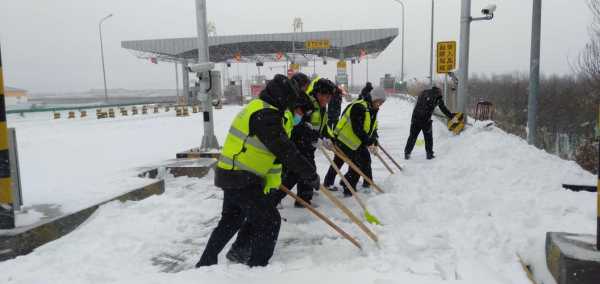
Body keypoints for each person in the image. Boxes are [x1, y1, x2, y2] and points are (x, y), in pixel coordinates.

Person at [196, 74, 320, 268]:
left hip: (236, 175)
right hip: (241, 177)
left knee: (232, 220)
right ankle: (258, 269)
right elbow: (285, 150)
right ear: (283, 98)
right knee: (270, 221)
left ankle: (206, 262)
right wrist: (309, 174)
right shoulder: (266, 116)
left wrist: (270, 187)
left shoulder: (263, 110)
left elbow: (273, 159)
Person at [280, 77, 336, 206]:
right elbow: (298, 126)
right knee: (301, 172)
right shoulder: (307, 103)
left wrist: (327, 138)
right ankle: (281, 198)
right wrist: (315, 138)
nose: (327, 100)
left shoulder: (322, 107)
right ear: (318, 93)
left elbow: (322, 126)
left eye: (329, 98)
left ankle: (302, 199)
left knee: (303, 172)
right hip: (299, 144)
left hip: (309, 145)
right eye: (326, 96)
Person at [327, 87, 386, 197]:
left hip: (356, 141)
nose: (380, 104)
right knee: (354, 164)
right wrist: (368, 142)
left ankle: (364, 183)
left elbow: (373, 127)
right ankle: (348, 187)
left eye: (382, 102)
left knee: (362, 161)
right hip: (344, 139)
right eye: (380, 101)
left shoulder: (372, 109)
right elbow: (357, 128)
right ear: (374, 98)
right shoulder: (359, 107)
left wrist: (374, 141)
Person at [404, 86, 455, 160]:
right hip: (425, 120)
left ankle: (407, 153)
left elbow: (420, 103)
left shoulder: (424, 92)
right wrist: (451, 116)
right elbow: (443, 108)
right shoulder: (437, 97)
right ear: (438, 92)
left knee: (412, 137)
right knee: (428, 138)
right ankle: (429, 154)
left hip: (415, 118)